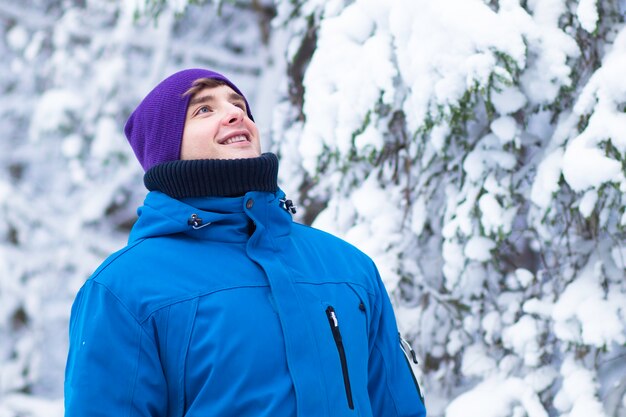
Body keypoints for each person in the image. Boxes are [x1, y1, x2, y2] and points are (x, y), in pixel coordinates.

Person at [64, 68, 427, 417]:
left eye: (238, 104)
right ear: (165, 145)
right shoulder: (124, 289)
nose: (235, 114)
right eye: (205, 109)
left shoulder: (348, 267)